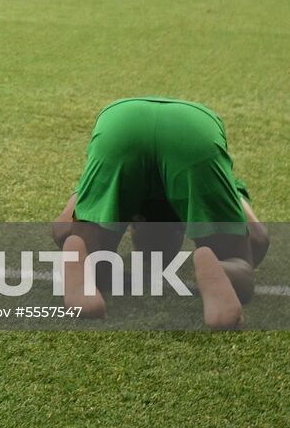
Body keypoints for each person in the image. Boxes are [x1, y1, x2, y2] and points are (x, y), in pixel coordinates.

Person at [50, 98, 268, 330]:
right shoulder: (187, 198)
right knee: (239, 263)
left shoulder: (126, 202)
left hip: (123, 122)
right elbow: (258, 238)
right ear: (181, 227)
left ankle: (85, 261)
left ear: (135, 224)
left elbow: (63, 224)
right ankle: (223, 269)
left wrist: (72, 234)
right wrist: (242, 256)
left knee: (90, 252)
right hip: (192, 130)